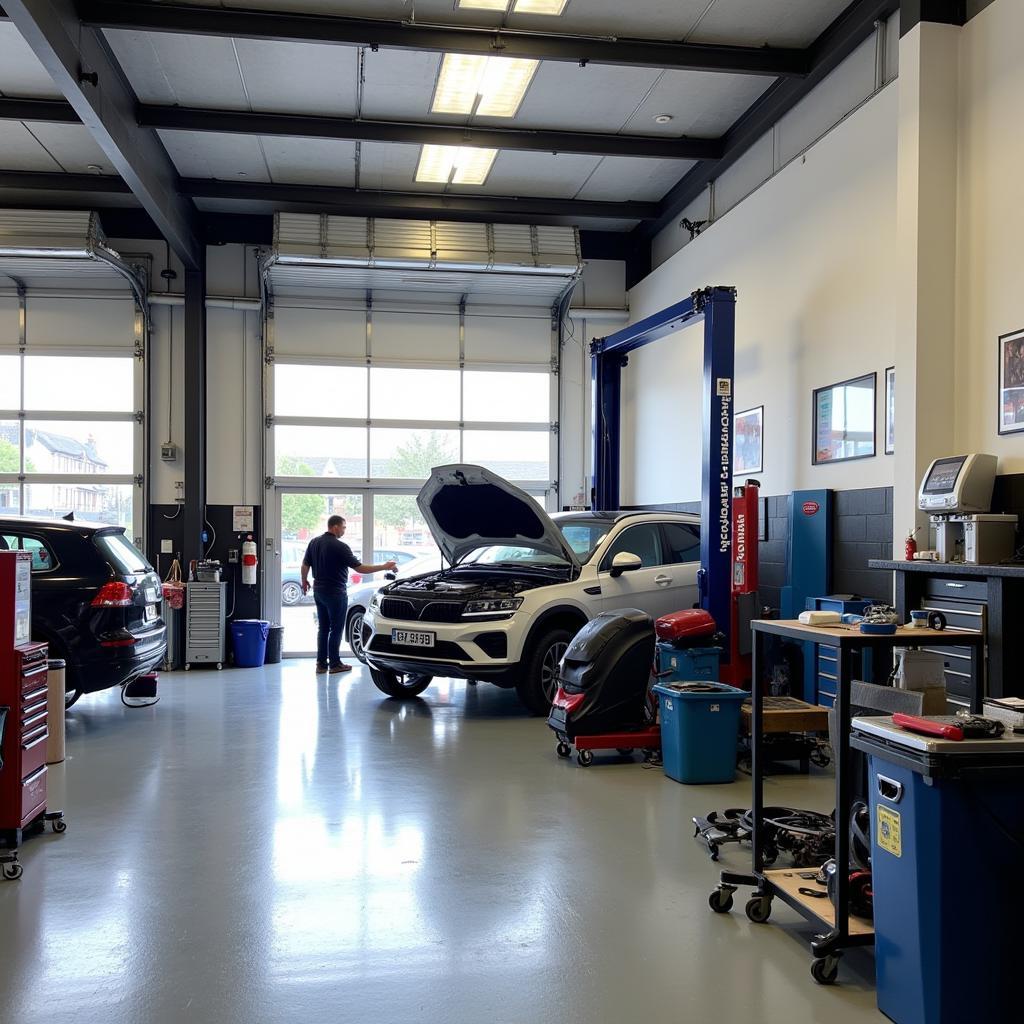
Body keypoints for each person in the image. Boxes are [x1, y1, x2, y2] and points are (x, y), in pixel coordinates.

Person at [301, 515, 397, 674]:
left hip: (319, 591)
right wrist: (384, 566)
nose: (344, 530)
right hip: (335, 593)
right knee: (336, 628)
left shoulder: (314, 542)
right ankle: (335, 664)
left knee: (323, 628)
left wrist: (304, 581)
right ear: (335, 527)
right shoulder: (340, 546)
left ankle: (320, 664)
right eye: (344, 527)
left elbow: (305, 564)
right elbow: (360, 568)